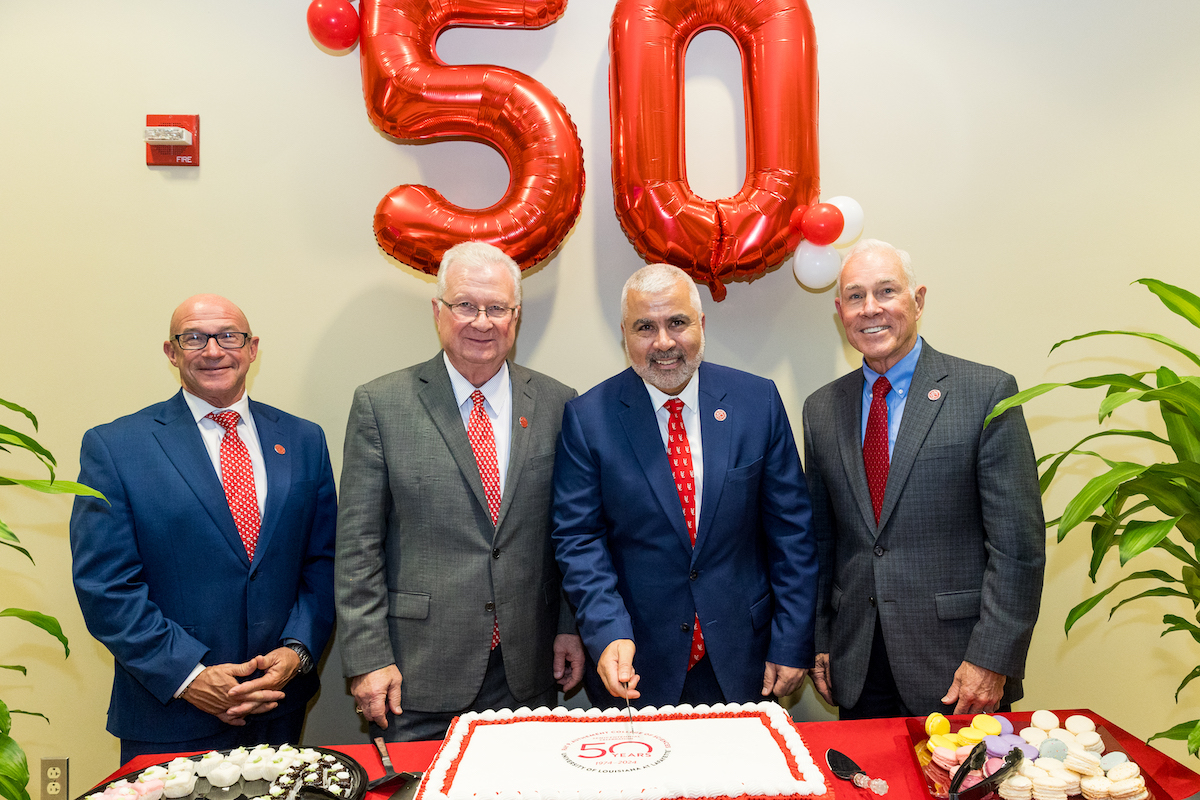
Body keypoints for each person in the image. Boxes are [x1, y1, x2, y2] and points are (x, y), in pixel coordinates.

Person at [70, 295, 337, 762]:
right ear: (171, 352)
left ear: (252, 348)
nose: (213, 351)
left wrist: (297, 651)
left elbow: (324, 561)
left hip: (277, 707)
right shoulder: (115, 447)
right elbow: (105, 586)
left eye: (228, 336)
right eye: (193, 338)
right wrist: (190, 676)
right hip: (168, 714)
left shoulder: (304, 439)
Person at [335, 241, 584, 743]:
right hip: (417, 673)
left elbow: (570, 533)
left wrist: (568, 625)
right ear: (438, 311)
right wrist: (367, 659)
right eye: (466, 305)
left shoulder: (560, 403)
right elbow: (357, 547)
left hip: (526, 671)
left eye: (498, 308)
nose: (482, 321)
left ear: (516, 316)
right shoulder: (380, 404)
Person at [551, 263, 817, 708]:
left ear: (701, 324)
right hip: (635, 658)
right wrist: (608, 630)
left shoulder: (758, 401)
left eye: (677, 322)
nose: (663, 343)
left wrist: (791, 640)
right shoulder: (588, 418)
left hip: (742, 656)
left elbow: (791, 532)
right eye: (644, 327)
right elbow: (579, 540)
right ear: (624, 335)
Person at [802, 239, 1046, 719]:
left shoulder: (986, 392)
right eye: (855, 296)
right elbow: (823, 540)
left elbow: (1017, 545)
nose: (870, 309)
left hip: (958, 665)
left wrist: (991, 658)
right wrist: (822, 639)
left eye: (886, 291)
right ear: (839, 311)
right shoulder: (822, 409)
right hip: (859, 662)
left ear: (918, 300)